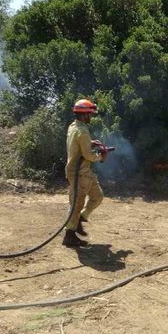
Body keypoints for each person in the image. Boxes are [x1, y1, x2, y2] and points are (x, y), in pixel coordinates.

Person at [63, 99, 108, 247]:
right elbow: (89, 155)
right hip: (79, 173)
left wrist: (90, 143)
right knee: (76, 204)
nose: (91, 116)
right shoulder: (82, 131)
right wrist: (101, 156)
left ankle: (82, 218)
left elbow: (81, 145)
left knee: (98, 196)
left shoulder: (74, 127)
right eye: (90, 114)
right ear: (84, 115)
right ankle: (69, 236)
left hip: (84, 171)